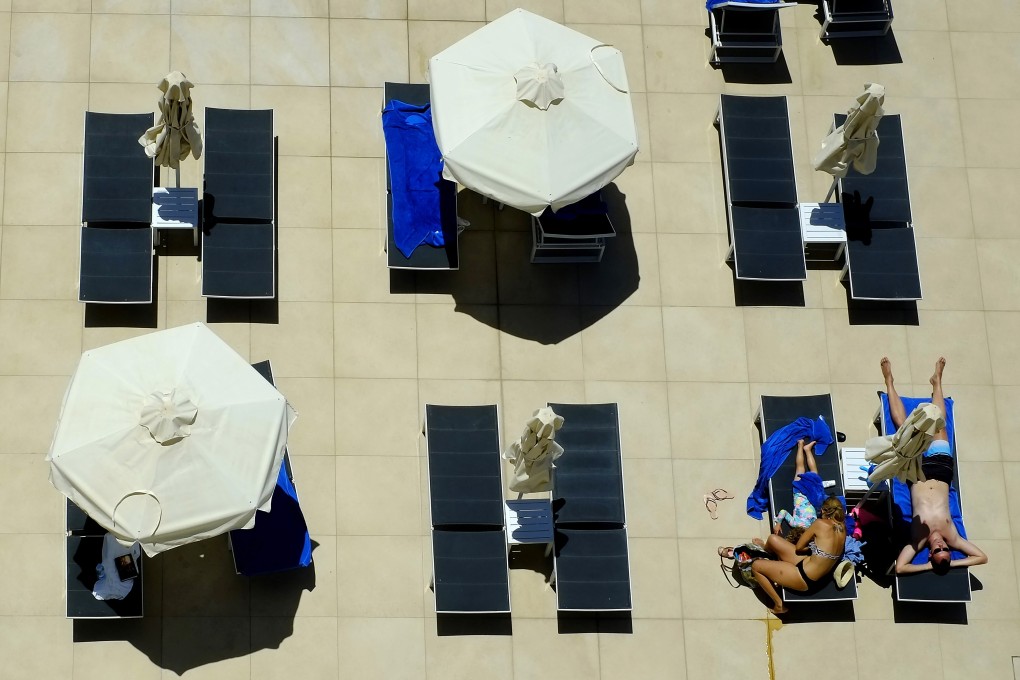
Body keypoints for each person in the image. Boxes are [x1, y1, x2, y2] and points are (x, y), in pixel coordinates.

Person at [882, 356, 988, 575]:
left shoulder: (917, 541)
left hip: (917, 471)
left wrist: (929, 566)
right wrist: (952, 562)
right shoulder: (953, 536)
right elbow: (981, 557)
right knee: (939, 421)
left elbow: (900, 568)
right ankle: (937, 381)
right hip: (941, 470)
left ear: (930, 553)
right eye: (946, 549)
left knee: (903, 428)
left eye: (938, 550)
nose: (941, 545)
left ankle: (889, 381)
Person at [750, 439, 847, 614]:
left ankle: (779, 605)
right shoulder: (842, 529)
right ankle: (769, 551)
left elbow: (800, 546)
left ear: (825, 511)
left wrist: (808, 545)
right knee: (773, 539)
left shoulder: (819, 524)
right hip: (807, 565)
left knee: (756, 566)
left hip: (804, 578)